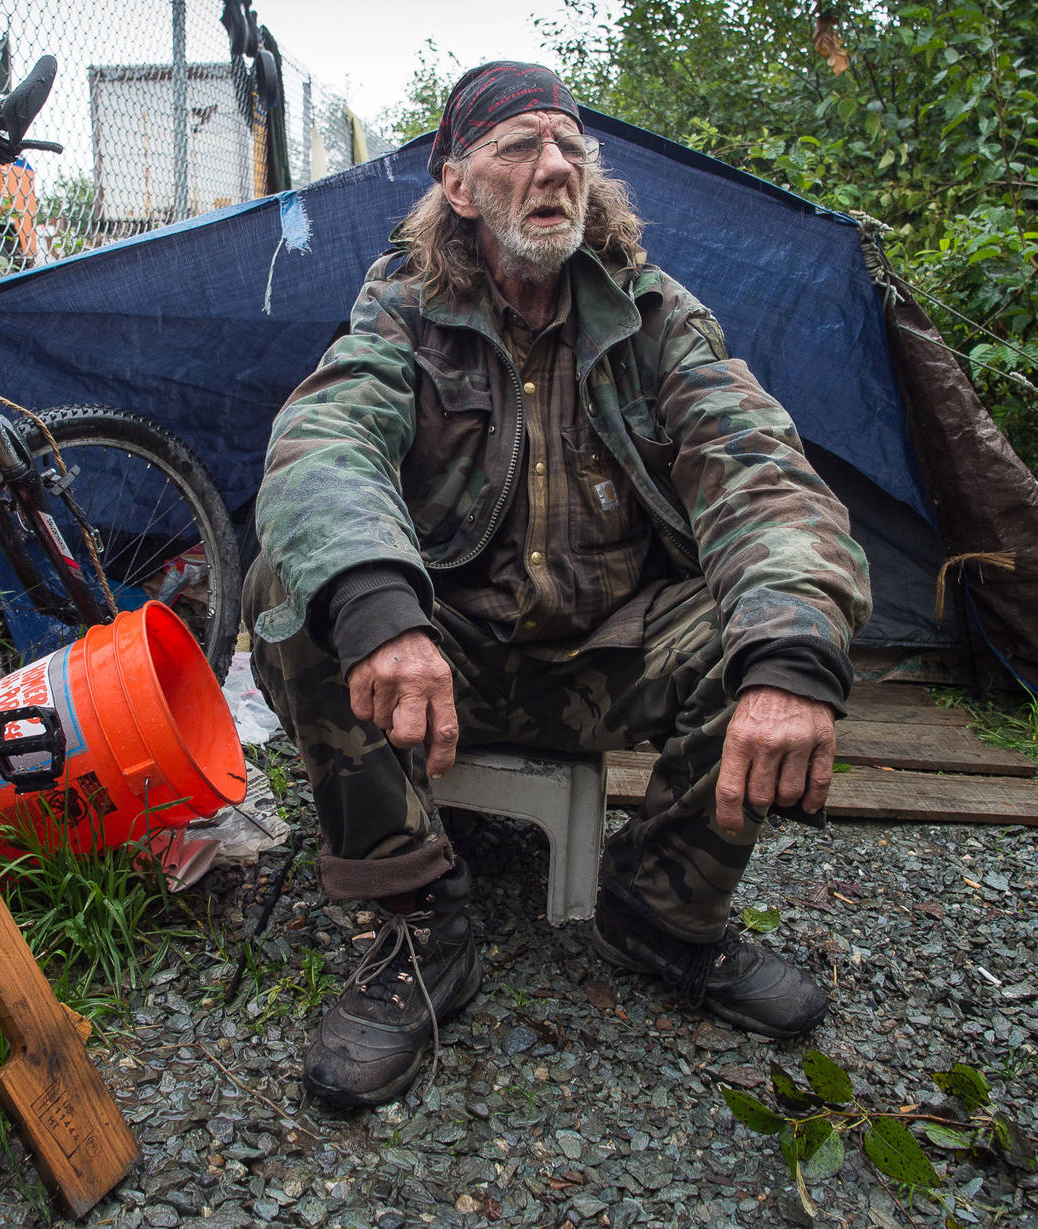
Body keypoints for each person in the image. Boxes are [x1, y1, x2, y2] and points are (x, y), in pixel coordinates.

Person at [244, 60, 872, 1110]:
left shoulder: (654, 316)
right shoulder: (401, 310)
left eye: (570, 148)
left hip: (608, 651)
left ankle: (660, 910)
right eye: (519, 147)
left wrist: (791, 653)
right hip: (450, 658)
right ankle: (415, 926)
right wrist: (379, 608)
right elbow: (324, 443)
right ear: (457, 184)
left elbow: (758, 470)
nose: (554, 167)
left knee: (768, 623)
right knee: (294, 587)